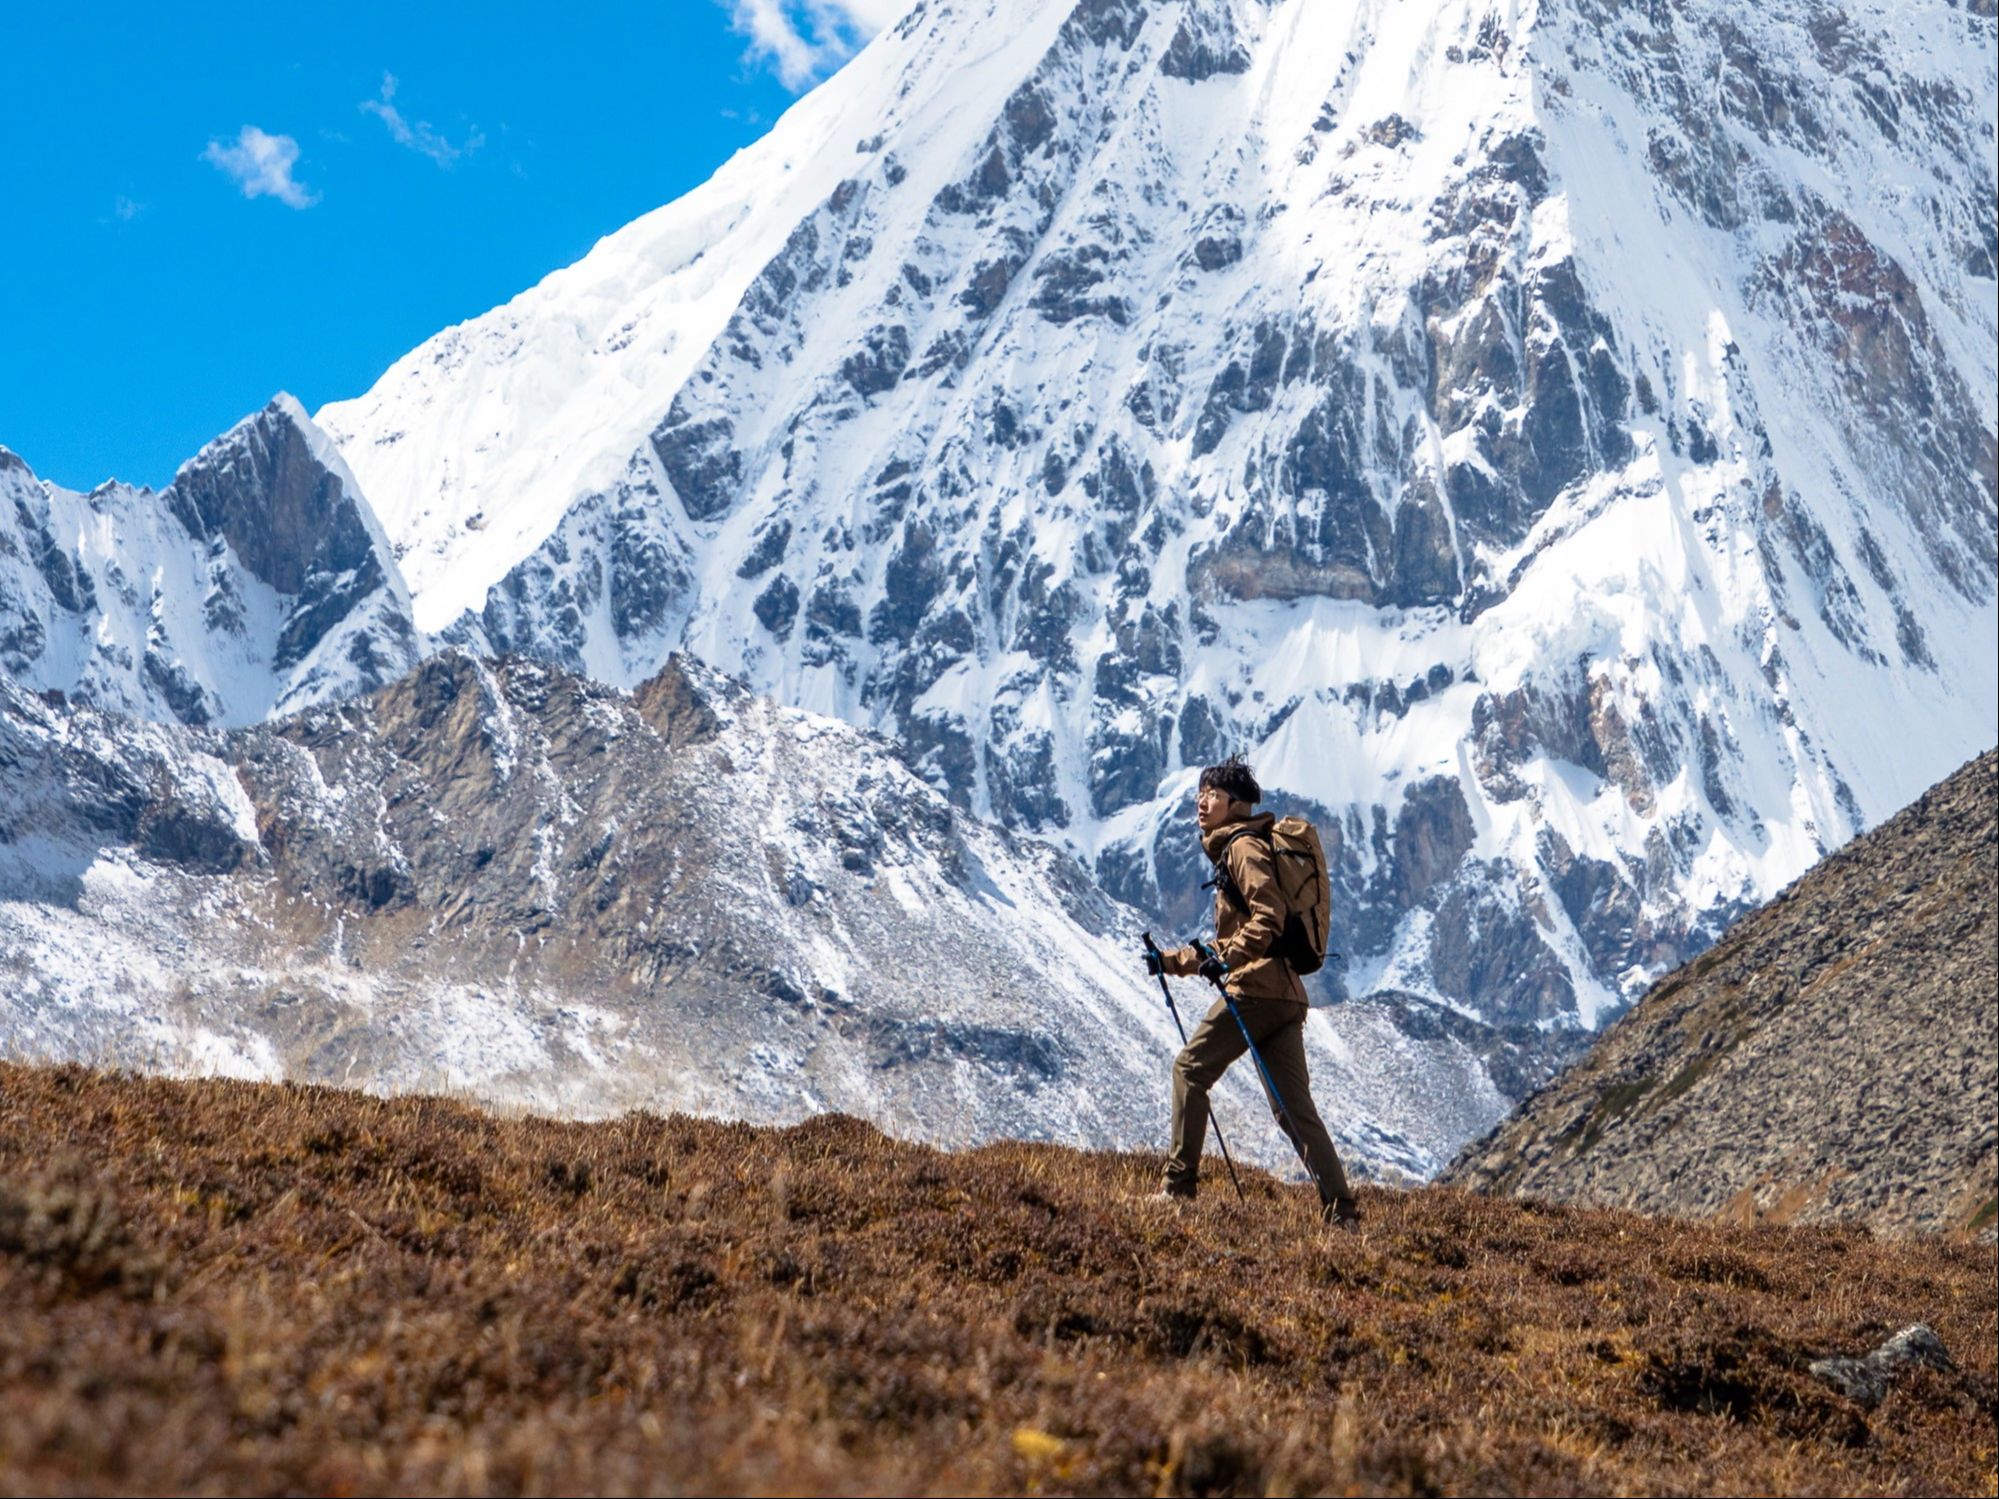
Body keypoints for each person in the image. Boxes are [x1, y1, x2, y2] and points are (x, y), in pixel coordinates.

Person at [1146, 754, 1362, 1228]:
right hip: (1285, 995)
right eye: (1200, 794)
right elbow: (1233, 937)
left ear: (1236, 805)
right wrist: (1171, 962)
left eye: (1213, 796)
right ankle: (1342, 1213)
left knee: (1189, 1071)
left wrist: (1229, 959)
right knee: (1293, 1111)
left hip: (1256, 990)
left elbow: (1268, 918)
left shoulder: (1242, 847)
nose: (1202, 803)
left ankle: (1178, 1188)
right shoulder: (1240, 846)